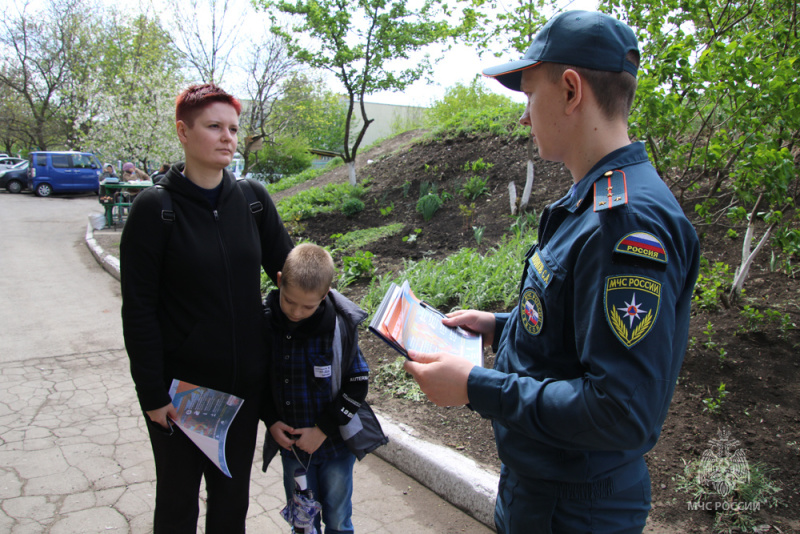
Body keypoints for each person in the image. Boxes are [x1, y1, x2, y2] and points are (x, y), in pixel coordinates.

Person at [403, 11, 700, 534]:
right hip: (542, 488)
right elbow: (569, 321)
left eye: (528, 95)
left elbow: (620, 410)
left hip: (574, 509)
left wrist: (475, 387)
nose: (523, 118)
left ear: (570, 90)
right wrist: (498, 324)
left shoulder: (625, 220)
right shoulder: (590, 201)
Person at [120, 83, 294, 533]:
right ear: (183, 131)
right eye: (214, 126)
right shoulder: (154, 209)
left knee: (231, 505)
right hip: (182, 395)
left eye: (233, 128)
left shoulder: (252, 200)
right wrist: (152, 394)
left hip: (242, 393)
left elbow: (291, 275)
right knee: (178, 506)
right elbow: (138, 308)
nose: (227, 138)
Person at [261, 243, 386, 534]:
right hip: (292, 451)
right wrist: (271, 421)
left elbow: (357, 382)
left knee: (339, 519)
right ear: (279, 281)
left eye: (308, 306)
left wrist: (323, 429)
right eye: (289, 301)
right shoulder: (265, 324)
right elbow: (258, 379)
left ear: (326, 294)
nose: (296, 312)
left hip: (335, 450)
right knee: (302, 523)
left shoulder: (338, 328)